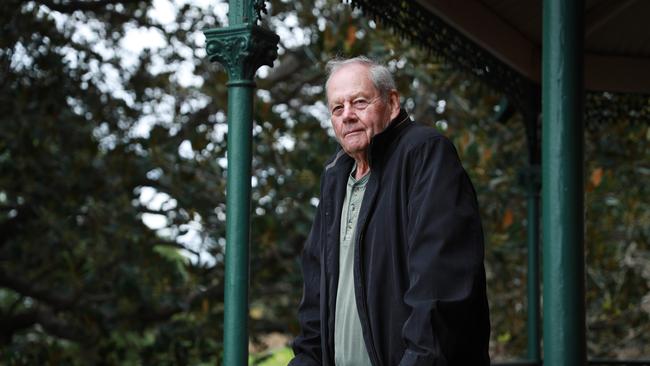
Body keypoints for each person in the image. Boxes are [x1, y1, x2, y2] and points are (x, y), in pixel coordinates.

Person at [288, 56, 490, 366]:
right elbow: (316, 300)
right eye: (337, 108)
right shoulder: (335, 177)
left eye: (359, 102)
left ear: (392, 102)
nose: (348, 116)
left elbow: (439, 291)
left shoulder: (425, 153)